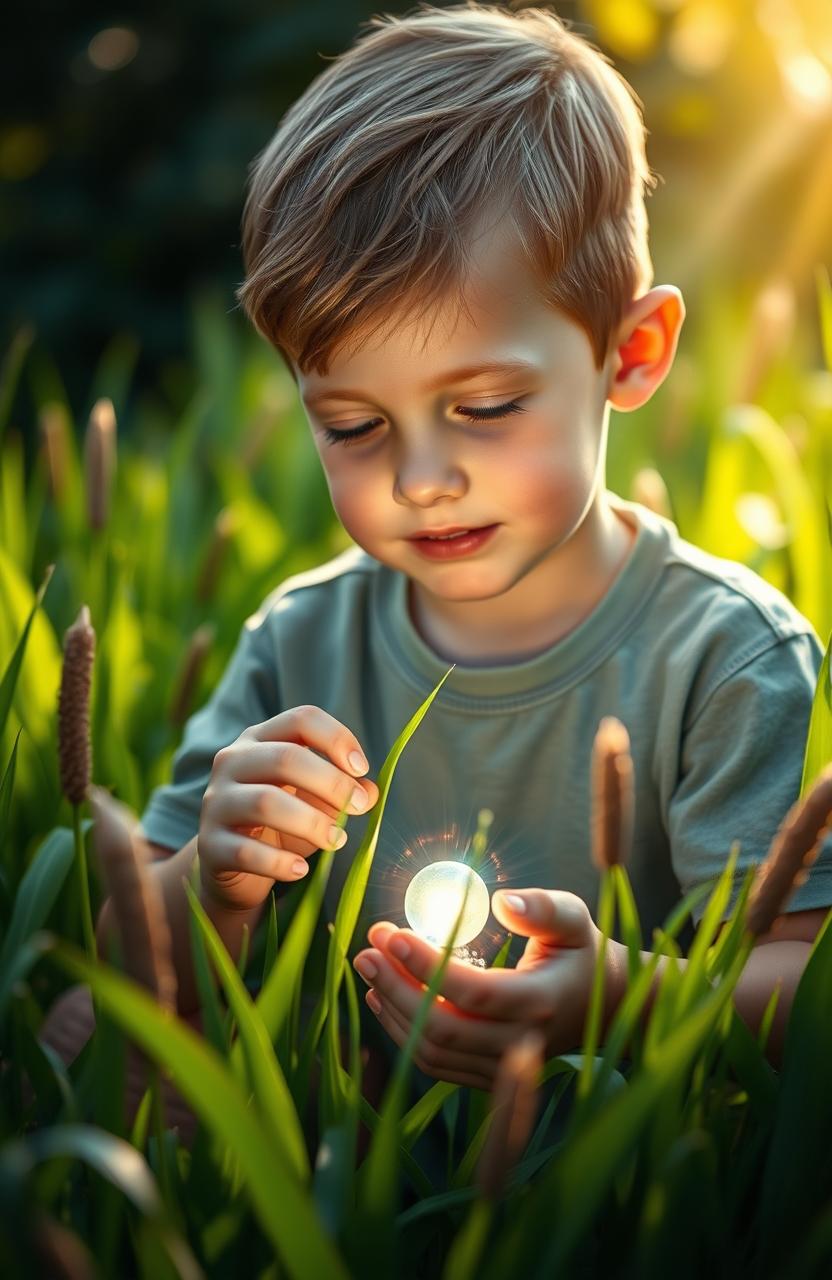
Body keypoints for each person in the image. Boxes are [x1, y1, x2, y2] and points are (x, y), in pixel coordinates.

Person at [99, 3, 832, 1096]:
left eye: (485, 404)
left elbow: (807, 984)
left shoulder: (723, 659)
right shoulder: (299, 642)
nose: (418, 477)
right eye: (352, 425)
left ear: (630, 353)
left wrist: (626, 997)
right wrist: (210, 876)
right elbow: (120, 963)